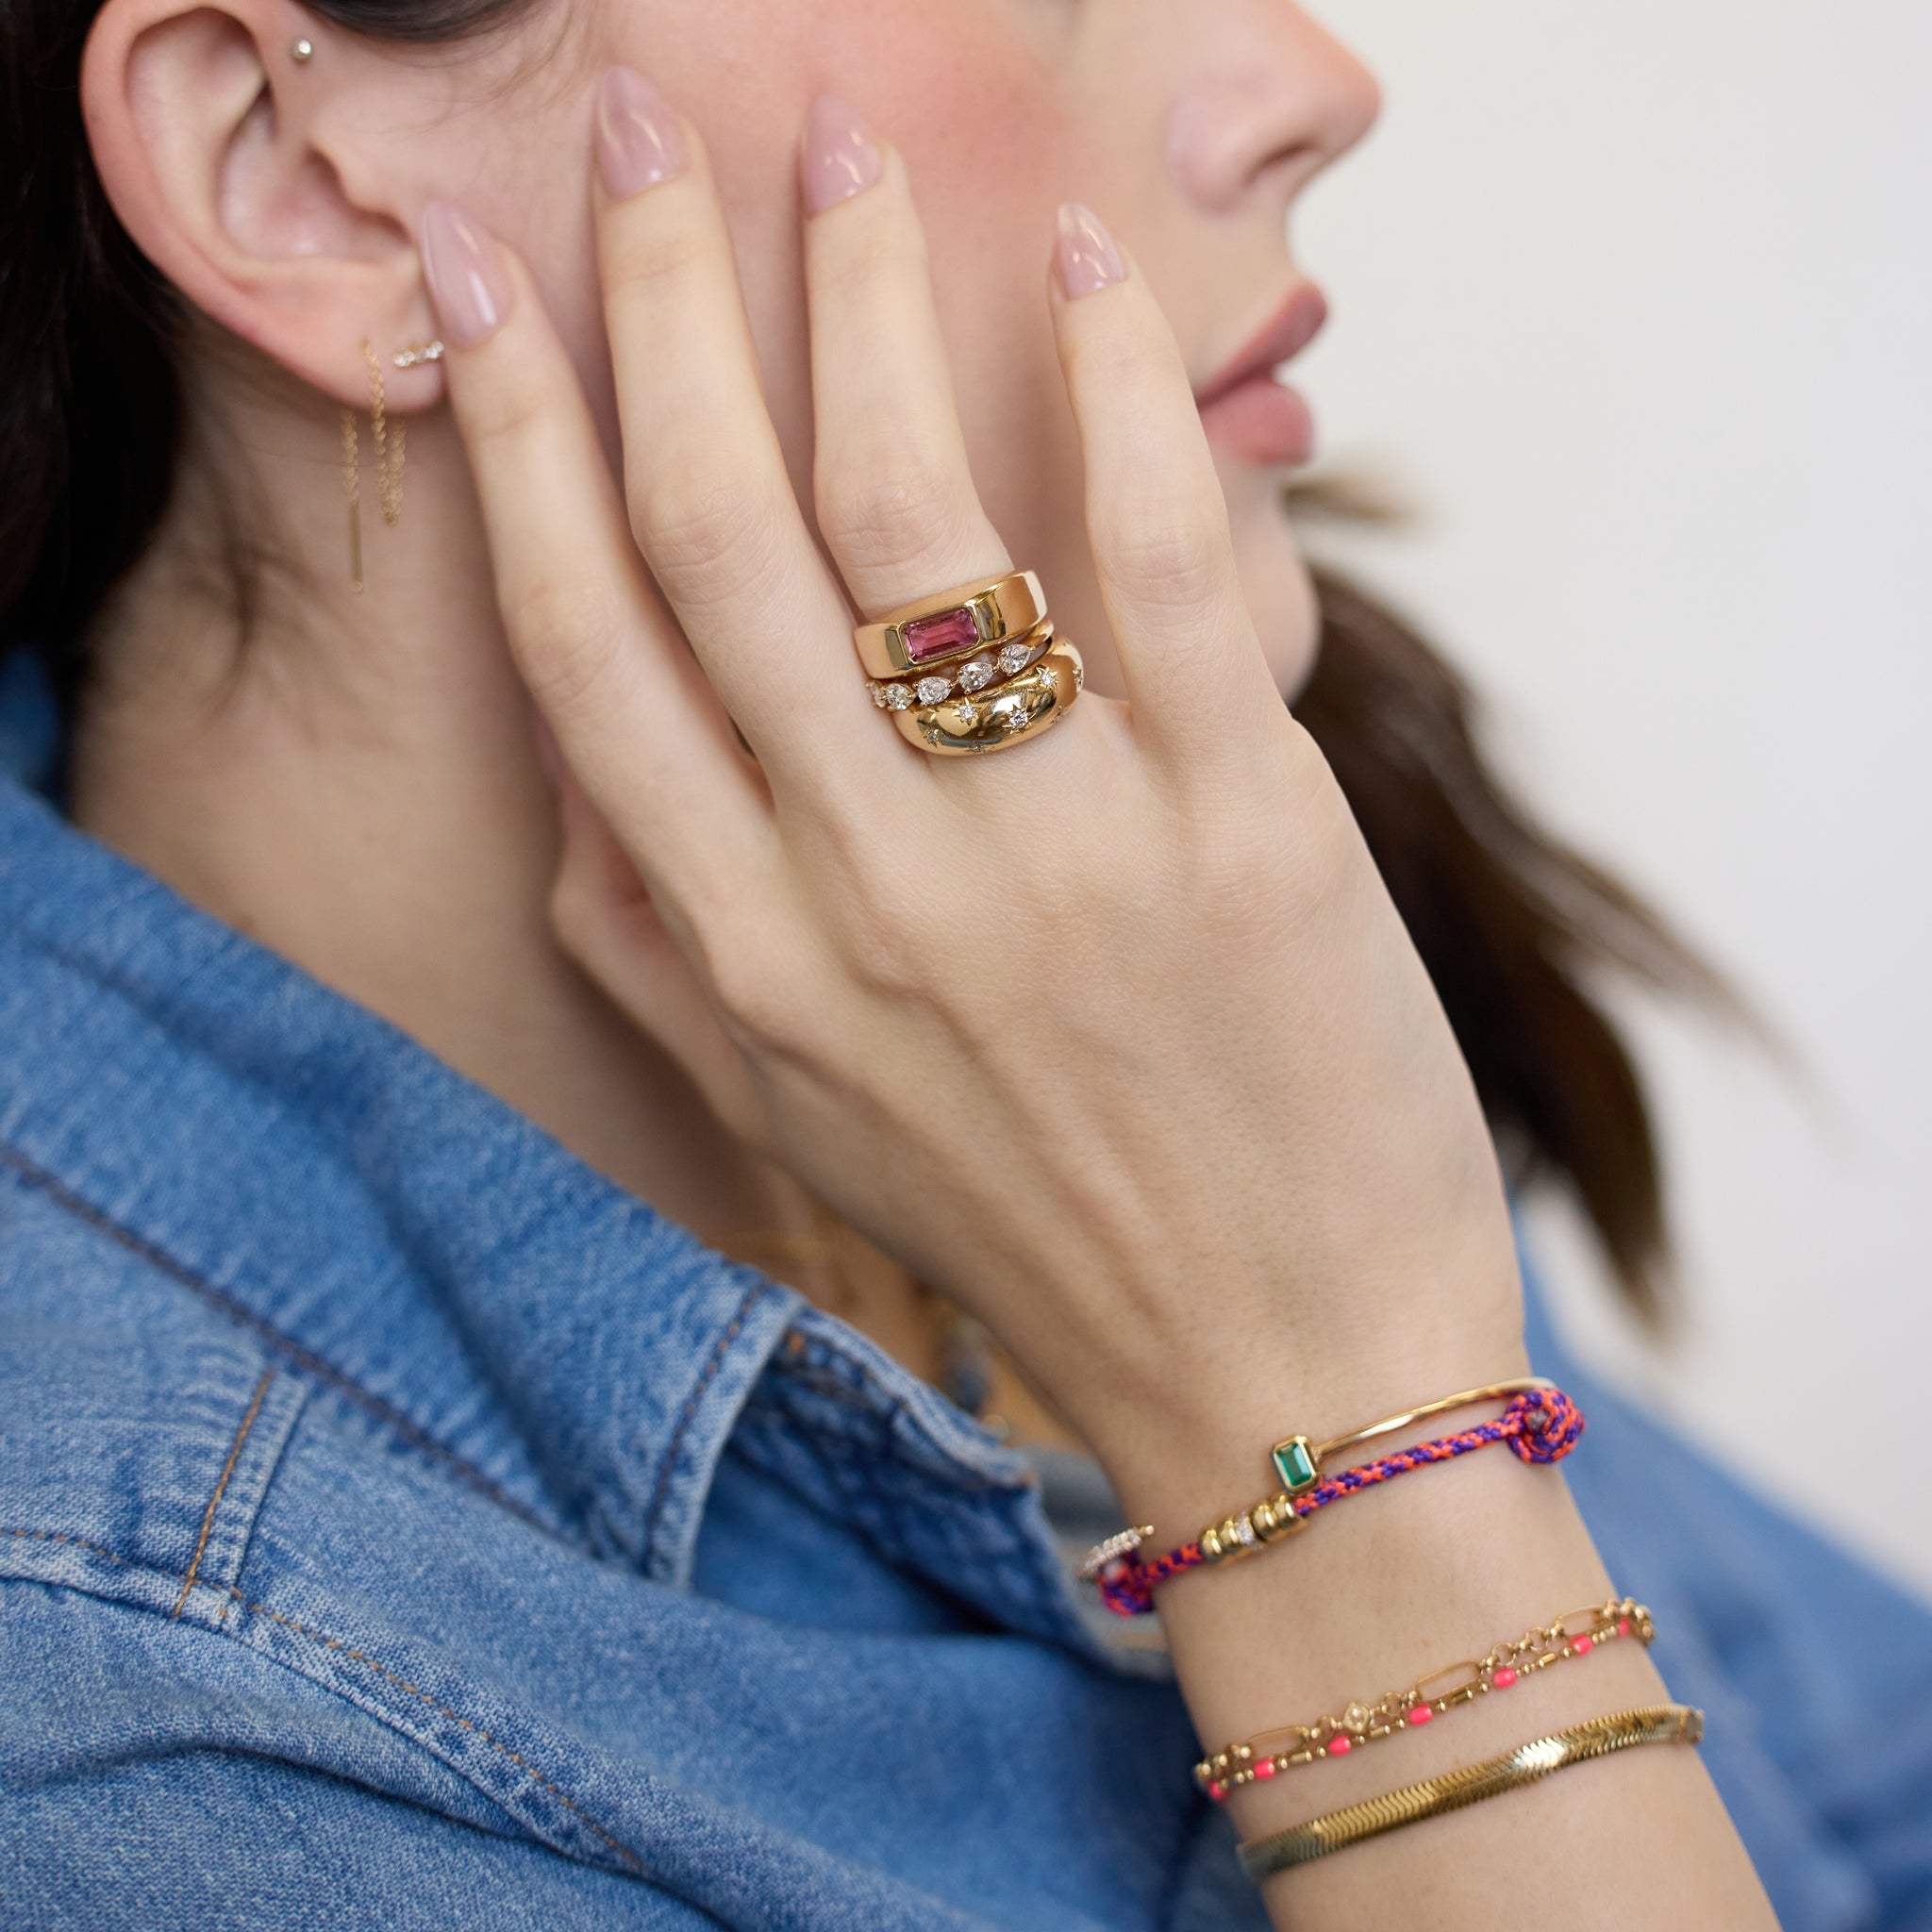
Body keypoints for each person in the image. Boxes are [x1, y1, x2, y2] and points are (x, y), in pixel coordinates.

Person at [1, 0, 1926, 1926]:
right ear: (288, 168)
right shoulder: (130, 1735)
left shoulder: (1124, 964)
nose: (1314, 85)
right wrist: (1340, 1435)